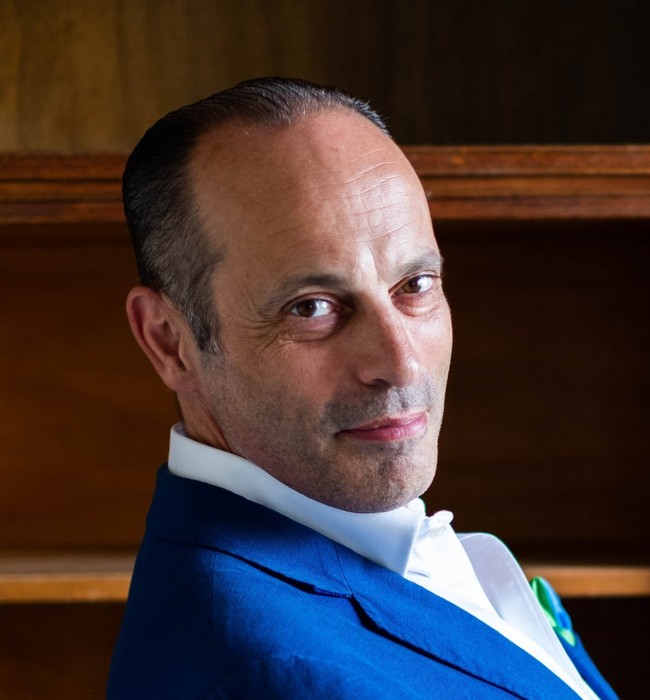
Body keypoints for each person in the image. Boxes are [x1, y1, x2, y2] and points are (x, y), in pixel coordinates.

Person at [107, 78, 615, 699]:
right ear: (168, 341)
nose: (402, 363)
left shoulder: (372, 547)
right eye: (312, 307)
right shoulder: (271, 674)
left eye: (415, 285)